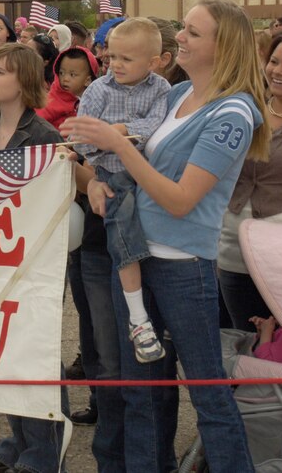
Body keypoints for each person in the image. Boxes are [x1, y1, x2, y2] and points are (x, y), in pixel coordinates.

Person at [62, 0, 270, 472]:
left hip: (182, 264)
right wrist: (95, 178)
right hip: (135, 255)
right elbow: (132, 173)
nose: (180, 37)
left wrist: (117, 143)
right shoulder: (176, 96)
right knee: (142, 391)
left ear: (224, 47)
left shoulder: (232, 114)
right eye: (184, 28)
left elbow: (180, 199)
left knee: (207, 392)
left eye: (193, 33)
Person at [0, 43, 69, 473]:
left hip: (35, 259)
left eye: (2, 72)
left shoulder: (45, 137)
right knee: (6, 352)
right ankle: (19, 439)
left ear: (25, 82)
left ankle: (43, 452)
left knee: (37, 349)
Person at [74, 18, 171, 363]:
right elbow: (82, 137)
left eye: (127, 59)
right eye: (112, 56)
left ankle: (156, 314)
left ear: (156, 62)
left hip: (148, 177)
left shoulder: (161, 89)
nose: (115, 64)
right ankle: (139, 319)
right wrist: (108, 144)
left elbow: (156, 125)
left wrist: (119, 131)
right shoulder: (98, 90)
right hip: (114, 178)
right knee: (124, 235)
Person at [218, 30, 282, 331]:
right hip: (233, 251)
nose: (278, 71)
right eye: (274, 61)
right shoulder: (245, 108)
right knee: (242, 341)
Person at [35, 46, 99, 130]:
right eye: (61, 73)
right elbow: (35, 121)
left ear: (88, 80)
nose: (65, 79)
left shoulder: (94, 100)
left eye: (72, 75)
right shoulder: (53, 99)